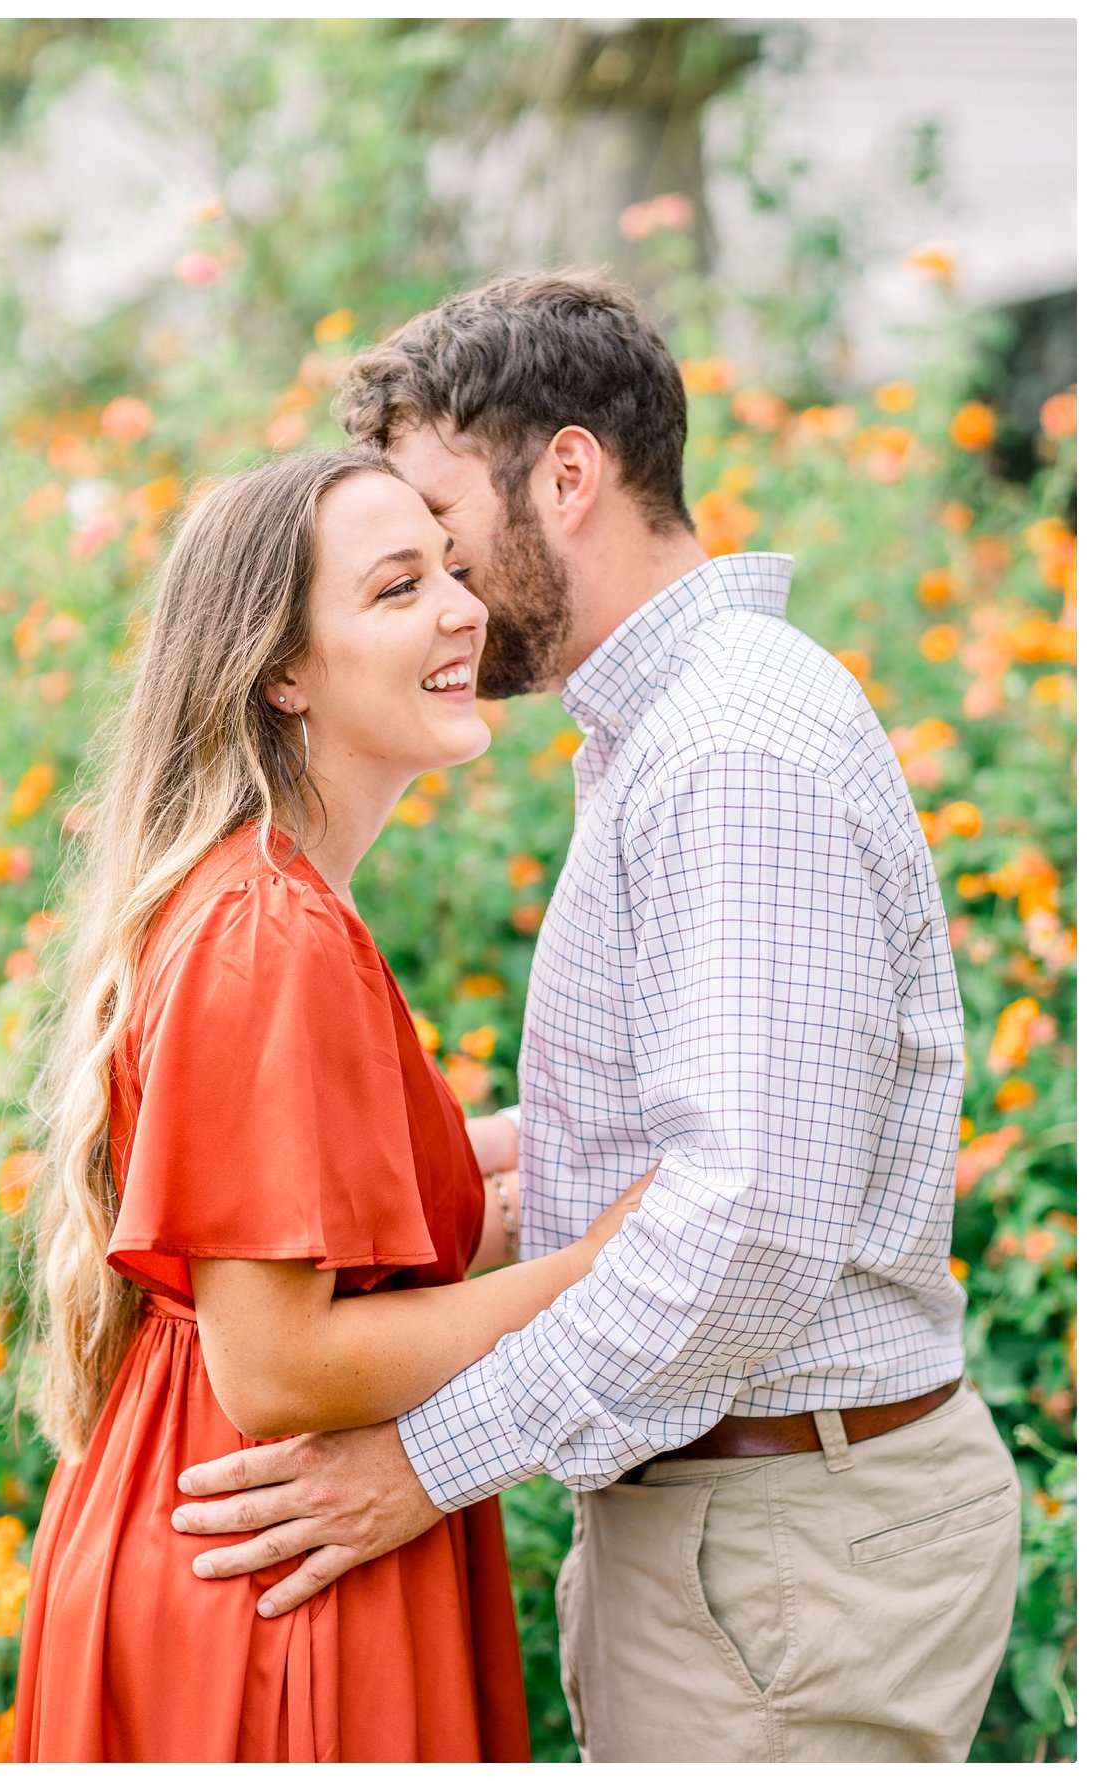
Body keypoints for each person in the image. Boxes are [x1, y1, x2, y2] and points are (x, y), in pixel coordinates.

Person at [170, 273, 1023, 1764]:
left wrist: (426, 1463)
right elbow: (693, 1143)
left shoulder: (726, 748)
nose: (444, 590)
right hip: (756, 1540)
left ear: (569, 473)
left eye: (445, 531)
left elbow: (741, 1230)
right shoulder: (674, 733)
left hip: (779, 1547)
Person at [11, 444, 652, 1763]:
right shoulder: (268, 932)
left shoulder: (274, 901)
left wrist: (563, 1147)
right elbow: (279, 1361)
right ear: (284, 671)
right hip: (271, 1585)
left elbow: (348, 1219)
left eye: (451, 571)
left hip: (246, 1542)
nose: (460, 609)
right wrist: (596, 1259)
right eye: (397, 586)